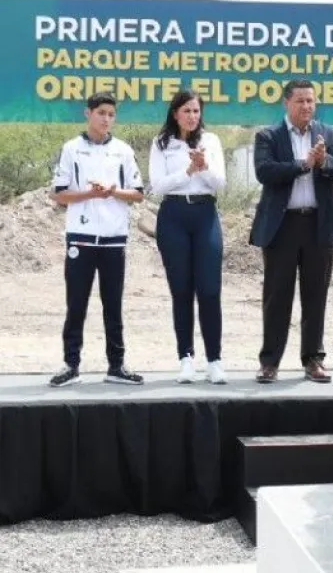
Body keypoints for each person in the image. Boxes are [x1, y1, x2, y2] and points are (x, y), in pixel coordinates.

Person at [249, 79, 333, 384]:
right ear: (286, 103)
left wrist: (325, 161)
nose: (307, 106)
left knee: (316, 295)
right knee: (277, 296)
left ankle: (313, 360)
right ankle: (270, 362)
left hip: (318, 226)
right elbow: (265, 172)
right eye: (300, 101)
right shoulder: (268, 136)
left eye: (311, 101)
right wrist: (302, 164)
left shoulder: (329, 135)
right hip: (282, 227)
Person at [48, 93, 146, 388]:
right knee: (76, 303)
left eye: (111, 114)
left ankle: (116, 365)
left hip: (114, 240)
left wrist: (113, 191)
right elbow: (58, 193)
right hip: (81, 237)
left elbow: (139, 193)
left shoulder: (123, 151)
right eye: (101, 112)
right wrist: (90, 194)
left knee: (113, 304)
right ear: (87, 113)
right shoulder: (71, 149)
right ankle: (71, 364)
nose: (106, 119)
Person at [149, 90, 227, 384]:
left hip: (205, 214)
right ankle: (186, 358)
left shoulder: (212, 141)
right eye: (187, 111)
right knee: (181, 290)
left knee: (209, 289)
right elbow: (158, 186)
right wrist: (188, 170)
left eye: (196, 111)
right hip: (173, 216)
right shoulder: (162, 143)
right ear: (175, 114)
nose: (193, 117)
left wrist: (203, 167)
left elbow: (220, 183)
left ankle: (215, 360)